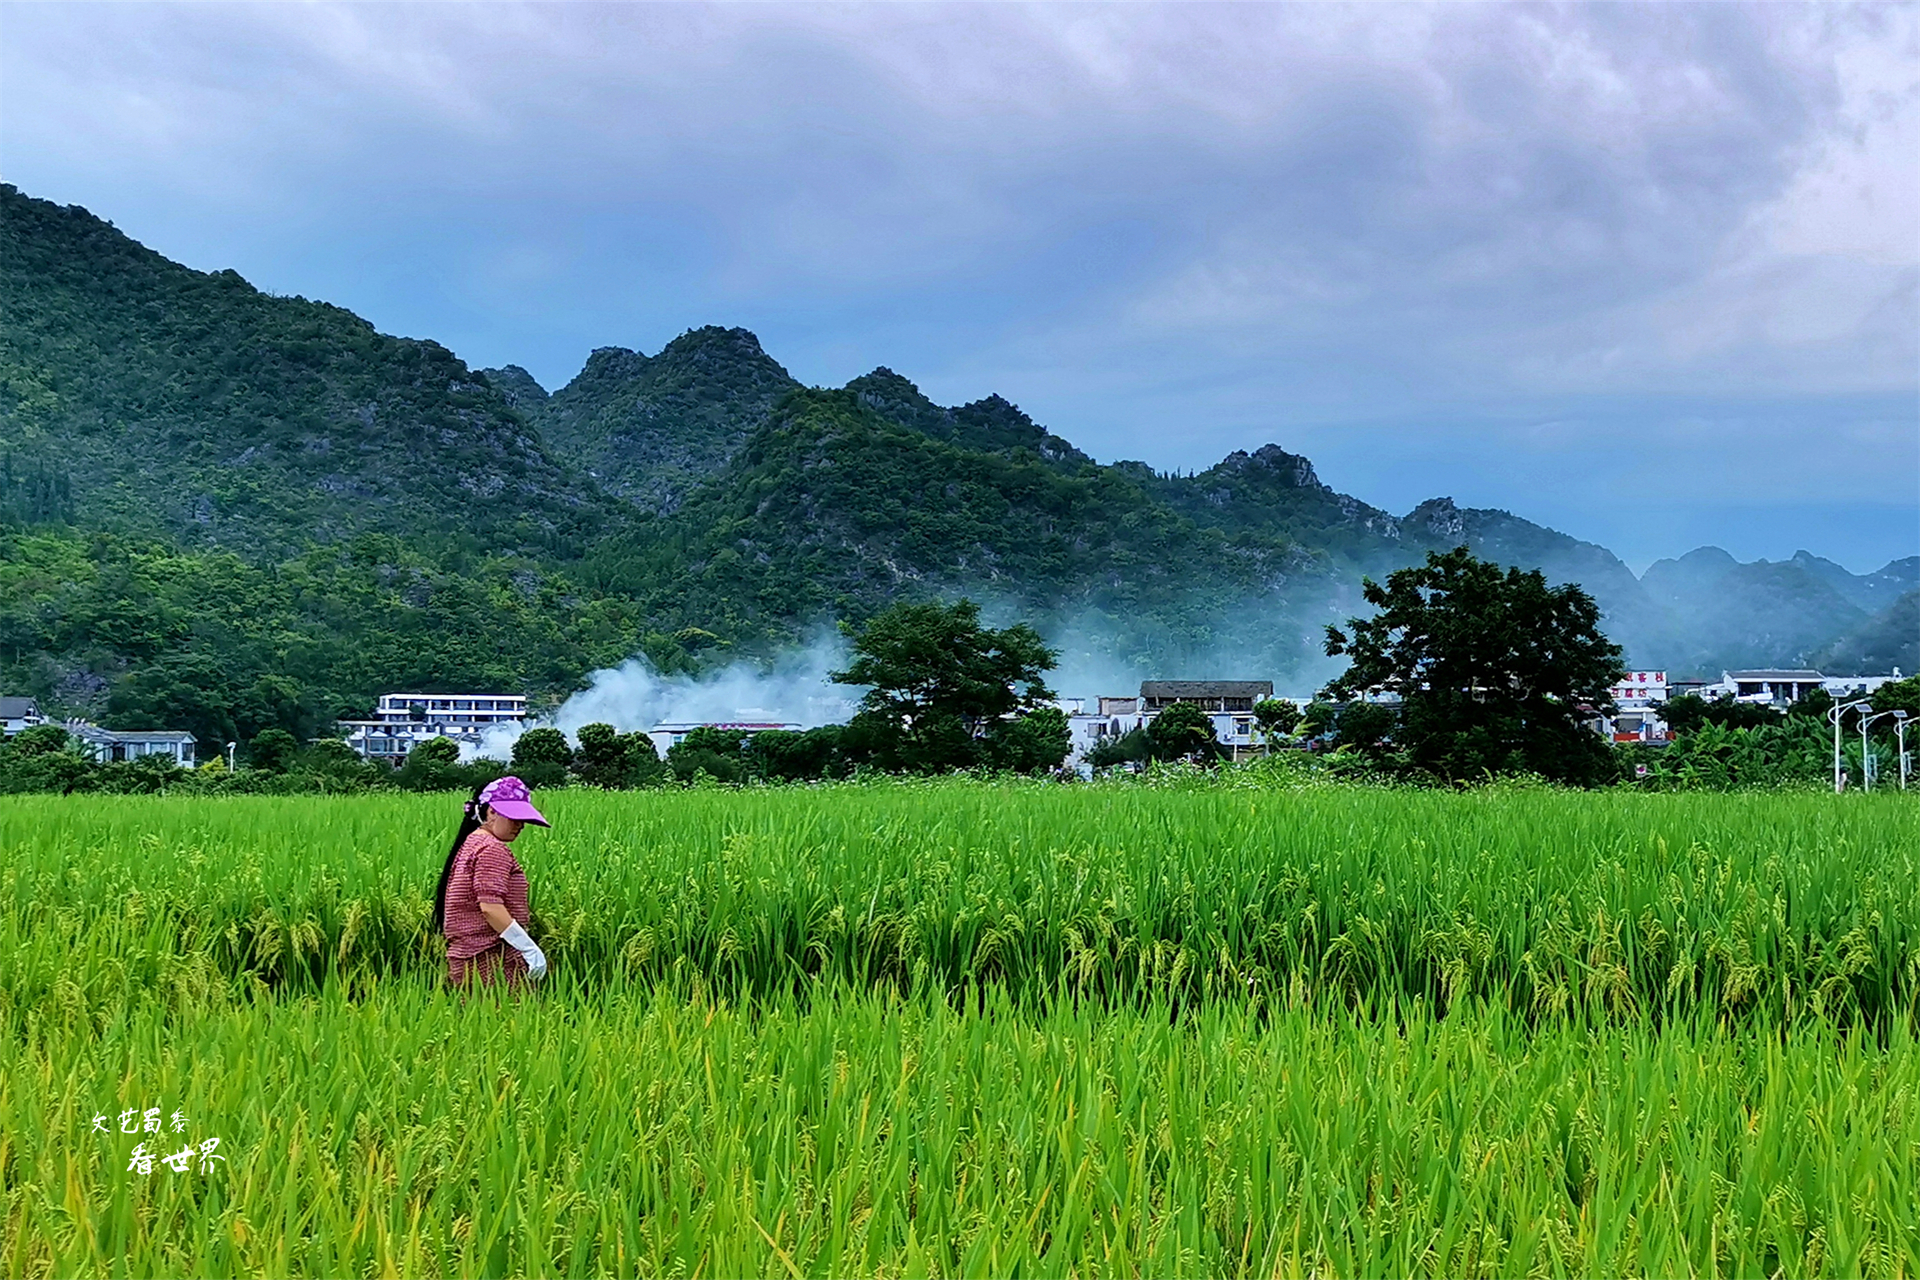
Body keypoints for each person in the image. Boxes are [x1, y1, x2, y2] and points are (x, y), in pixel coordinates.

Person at [432, 775, 550, 991]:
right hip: (491, 958)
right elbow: (490, 907)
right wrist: (528, 948)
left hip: (470, 957)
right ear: (491, 811)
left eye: (523, 819)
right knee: (510, 1019)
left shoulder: (472, 842)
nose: (521, 825)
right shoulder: (491, 849)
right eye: (514, 817)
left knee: (480, 1021)